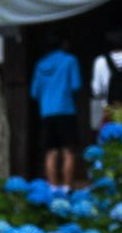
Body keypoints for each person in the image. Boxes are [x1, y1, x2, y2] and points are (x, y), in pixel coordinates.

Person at [29, 33, 84, 190]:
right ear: (64, 43)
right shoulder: (70, 60)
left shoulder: (40, 64)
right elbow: (75, 85)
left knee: (50, 151)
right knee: (68, 150)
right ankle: (66, 187)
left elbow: (34, 92)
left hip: (47, 112)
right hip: (66, 109)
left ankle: (52, 188)